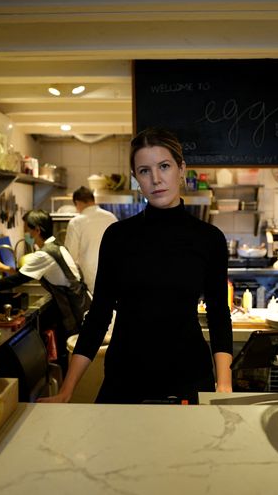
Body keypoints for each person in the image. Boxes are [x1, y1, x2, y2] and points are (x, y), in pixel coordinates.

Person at [39, 128, 233, 404]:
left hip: (187, 378)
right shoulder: (118, 237)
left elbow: (218, 313)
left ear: (181, 169)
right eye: (144, 170)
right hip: (125, 380)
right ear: (136, 179)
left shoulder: (209, 238)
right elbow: (98, 315)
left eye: (164, 166)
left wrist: (223, 384)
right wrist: (67, 389)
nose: (156, 179)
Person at [0, 209, 91, 375]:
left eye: (28, 228)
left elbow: (19, 279)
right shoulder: (56, 246)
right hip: (81, 305)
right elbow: (26, 272)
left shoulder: (44, 254)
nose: (26, 232)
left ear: (38, 230)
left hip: (72, 311)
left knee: (73, 358)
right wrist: (4, 268)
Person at [64, 186, 118, 293]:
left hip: (90, 280)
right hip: (113, 276)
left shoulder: (76, 222)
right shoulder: (111, 217)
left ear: (77, 202)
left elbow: (70, 256)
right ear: (93, 200)